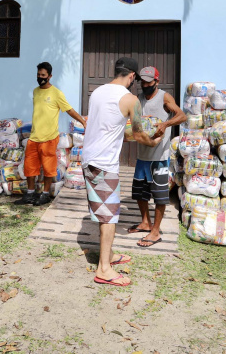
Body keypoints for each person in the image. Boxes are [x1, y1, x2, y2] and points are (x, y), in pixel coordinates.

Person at [81, 57, 163, 286]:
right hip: (104, 164)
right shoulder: (130, 99)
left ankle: (109, 256)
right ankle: (104, 269)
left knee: (105, 212)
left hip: (89, 159)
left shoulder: (97, 92)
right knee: (109, 217)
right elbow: (138, 135)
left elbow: (110, 128)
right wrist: (153, 141)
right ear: (132, 77)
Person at [129, 66, 186, 247]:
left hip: (160, 156)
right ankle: (145, 222)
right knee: (140, 192)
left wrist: (166, 124)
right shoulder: (138, 99)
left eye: (148, 81)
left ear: (156, 81)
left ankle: (155, 231)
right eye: (142, 82)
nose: (145, 84)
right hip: (142, 155)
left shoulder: (164, 97)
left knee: (160, 195)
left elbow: (182, 115)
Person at [16, 62, 86, 207]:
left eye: (43, 75)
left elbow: (69, 110)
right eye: (38, 75)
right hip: (34, 138)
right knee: (30, 167)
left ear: (50, 76)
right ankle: (29, 194)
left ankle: (45, 194)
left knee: (48, 168)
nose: (40, 77)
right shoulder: (35, 91)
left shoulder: (56, 93)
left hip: (49, 138)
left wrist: (83, 121)